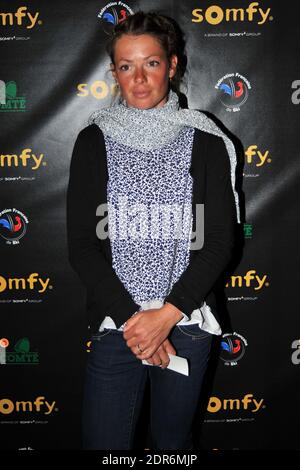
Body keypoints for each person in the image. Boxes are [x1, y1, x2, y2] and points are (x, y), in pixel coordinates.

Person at [66, 10, 240, 450]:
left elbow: (219, 240)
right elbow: (83, 246)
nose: (139, 78)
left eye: (152, 63)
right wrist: (136, 322)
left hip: (187, 323)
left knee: (172, 447)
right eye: (127, 66)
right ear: (114, 73)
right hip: (117, 322)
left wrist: (165, 317)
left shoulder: (206, 140)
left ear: (173, 65)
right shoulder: (93, 140)